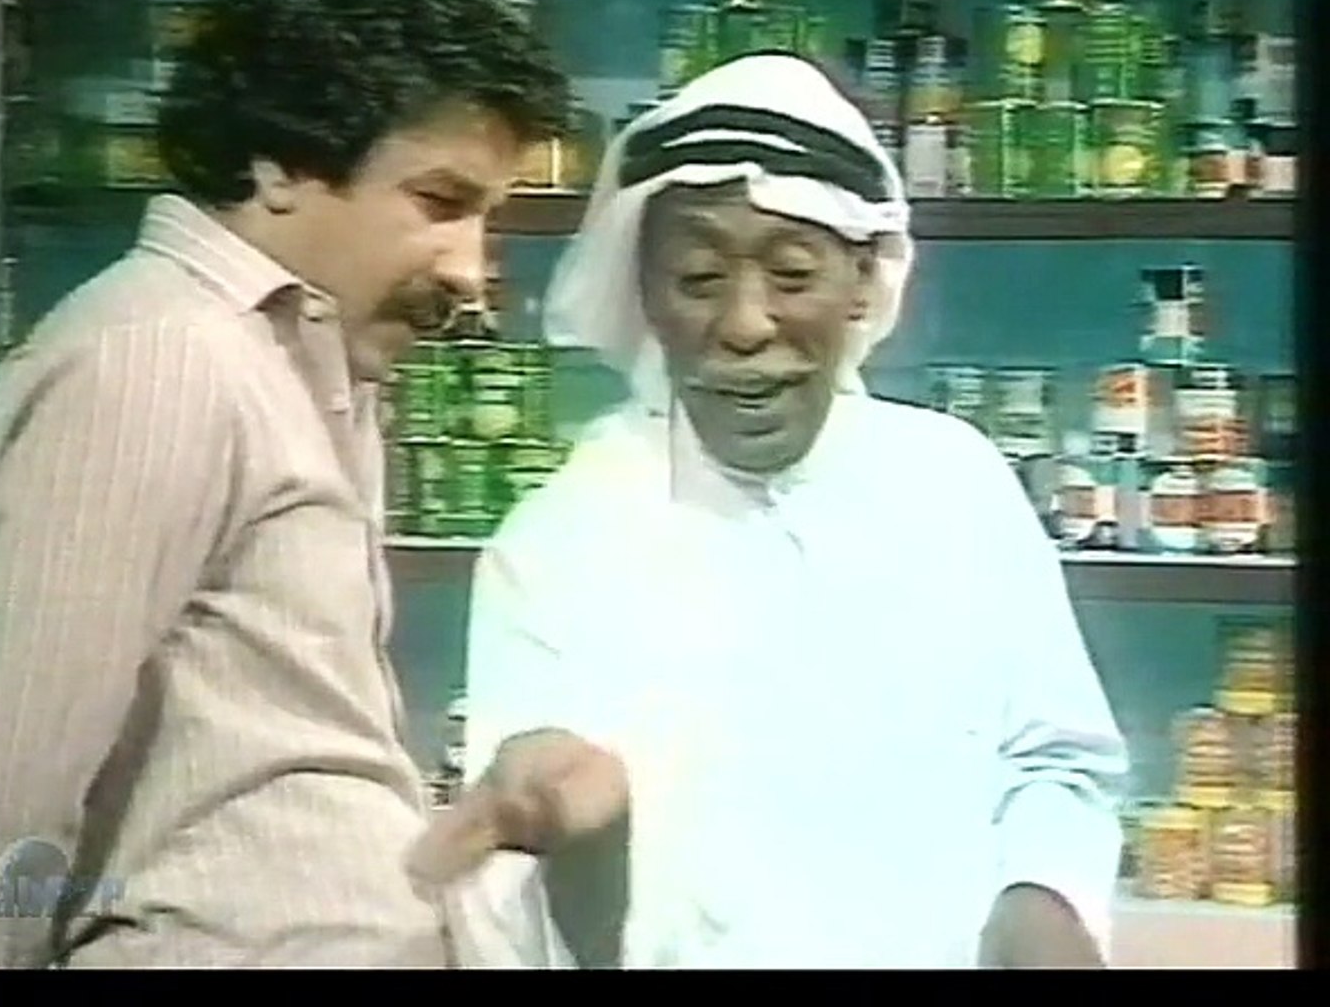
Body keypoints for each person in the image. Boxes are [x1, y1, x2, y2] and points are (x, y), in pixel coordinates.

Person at [0, 0, 570, 968]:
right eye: (439, 202)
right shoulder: (160, 360)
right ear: (281, 166)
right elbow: (6, 774)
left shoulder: (301, 365)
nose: (469, 271)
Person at [410, 52, 1130, 969]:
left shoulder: (956, 483)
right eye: (698, 279)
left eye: (791, 275)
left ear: (863, 282)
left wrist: (1045, 905)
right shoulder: (559, 543)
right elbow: (530, 915)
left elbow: (1056, 764)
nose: (746, 324)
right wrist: (588, 835)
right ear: (645, 296)